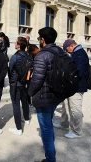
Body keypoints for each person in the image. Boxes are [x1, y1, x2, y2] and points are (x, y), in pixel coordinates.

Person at [28, 27, 65, 162]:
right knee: (48, 124)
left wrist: (30, 93)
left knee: (46, 129)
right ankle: (50, 156)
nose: (38, 41)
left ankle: (50, 159)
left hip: (44, 97)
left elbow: (36, 79)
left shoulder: (42, 55)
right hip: (56, 96)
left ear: (43, 40)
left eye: (39, 38)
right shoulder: (61, 52)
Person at [53, 39, 89, 139]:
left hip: (77, 87)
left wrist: (66, 76)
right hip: (70, 86)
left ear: (71, 46)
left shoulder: (80, 54)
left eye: (66, 49)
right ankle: (64, 124)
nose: (66, 51)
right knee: (65, 105)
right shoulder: (77, 53)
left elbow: (78, 72)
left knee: (75, 109)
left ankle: (77, 131)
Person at [8, 37, 30, 135]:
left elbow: (10, 70)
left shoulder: (15, 57)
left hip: (16, 83)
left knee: (16, 104)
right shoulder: (28, 55)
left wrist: (11, 80)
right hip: (25, 82)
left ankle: (18, 128)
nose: (14, 43)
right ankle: (26, 118)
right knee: (24, 101)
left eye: (15, 42)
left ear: (19, 45)